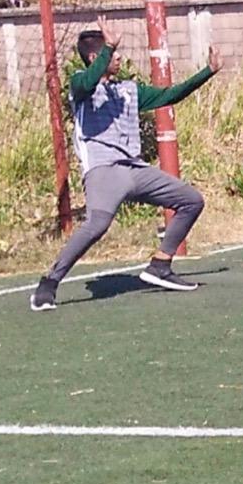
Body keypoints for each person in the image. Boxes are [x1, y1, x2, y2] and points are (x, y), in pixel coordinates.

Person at [31, 27, 220, 311]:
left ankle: (160, 266)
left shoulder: (128, 90)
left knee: (191, 200)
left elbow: (170, 96)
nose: (119, 58)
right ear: (97, 56)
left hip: (135, 169)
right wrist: (109, 46)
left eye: (117, 52)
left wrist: (208, 71)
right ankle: (48, 285)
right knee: (96, 225)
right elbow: (88, 80)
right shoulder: (80, 86)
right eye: (113, 53)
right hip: (104, 170)